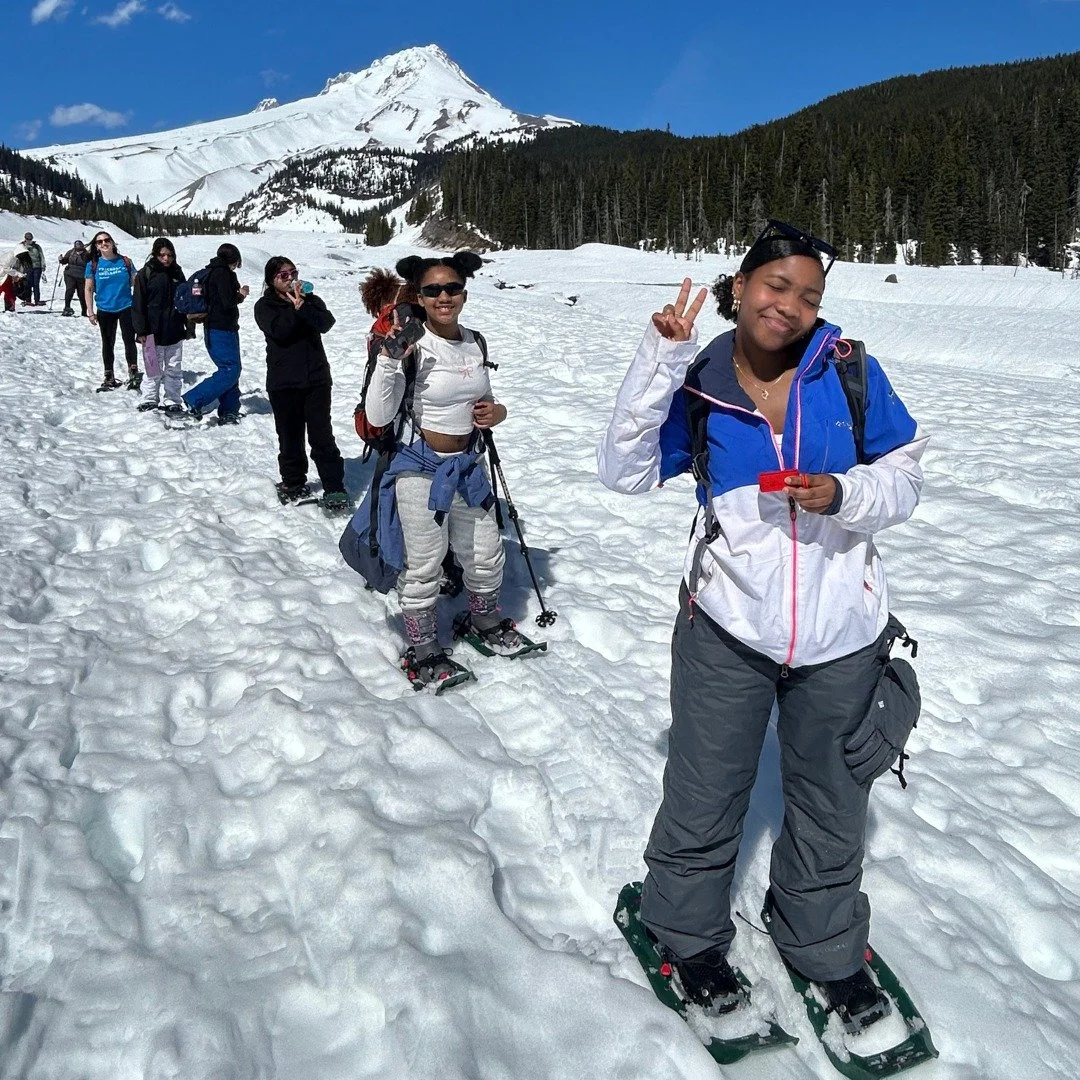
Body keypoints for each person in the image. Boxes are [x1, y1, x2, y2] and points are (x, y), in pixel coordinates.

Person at [597, 221, 928, 1030]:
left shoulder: (847, 372)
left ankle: (821, 944)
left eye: (810, 296)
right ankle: (685, 934)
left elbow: (904, 474)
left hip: (843, 635)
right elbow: (624, 471)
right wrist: (660, 359)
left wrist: (845, 495)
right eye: (777, 285)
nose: (791, 306)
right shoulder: (701, 381)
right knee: (706, 790)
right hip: (727, 628)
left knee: (832, 801)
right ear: (741, 286)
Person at [352, 250, 521, 686]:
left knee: (485, 550)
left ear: (464, 292)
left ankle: (483, 619)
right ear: (420, 296)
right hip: (420, 466)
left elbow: (484, 396)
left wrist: (496, 412)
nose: (444, 296)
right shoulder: (411, 343)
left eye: (452, 288)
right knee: (424, 563)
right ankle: (423, 645)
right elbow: (378, 415)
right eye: (433, 290)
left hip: (468, 464)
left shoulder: (475, 341)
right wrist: (390, 359)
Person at [254, 256, 349, 510]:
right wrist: (294, 310)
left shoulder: (310, 300)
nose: (290, 279)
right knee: (290, 436)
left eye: (293, 273)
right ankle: (293, 482)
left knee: (322, 435)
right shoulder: (265, 306)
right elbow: (280, 332)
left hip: (316, 379)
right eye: (283, 275)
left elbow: (326, 323)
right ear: (272, 280)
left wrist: (303, 306)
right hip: (284, 382)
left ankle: (334, 486)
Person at [183, 242, 248, 424]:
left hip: (217, 328)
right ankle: (194, 399)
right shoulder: (223, 274)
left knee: (231, 368)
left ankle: (229, 409)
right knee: (230, 369)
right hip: (221, 328)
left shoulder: (212, 272)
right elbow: (228, 301)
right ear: (234, 260)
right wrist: (241, 294)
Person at [131, 238, 191, 413]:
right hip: (151, 331)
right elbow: (138, 303)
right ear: (155, 254)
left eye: (170, 255)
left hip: (175, 330)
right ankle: (149, 398)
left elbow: (185, 301)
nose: (166, 259)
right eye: (162, 255)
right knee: (152, 368)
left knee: (174, 368)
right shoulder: (146, 273)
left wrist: (189, 326)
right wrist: (140, 330)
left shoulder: (177, 273)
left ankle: (172, 399)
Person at [85, 231, 140, 392]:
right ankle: (108, 375)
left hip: (126, 306)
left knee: (129, 340)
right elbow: (88, 288)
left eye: (106, 240)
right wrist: (90, 311)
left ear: (112, 242)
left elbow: (136, 283)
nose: (104, 243)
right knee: (108, 342)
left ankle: (133, 371)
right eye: (99, 242)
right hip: (104, 308)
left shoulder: (125, 261)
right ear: (96, 246)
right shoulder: (93, 265)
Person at [59, 240, 90, 316]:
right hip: (70, 274)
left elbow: (91, 265)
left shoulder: (87, 254)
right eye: (77, 248)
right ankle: (67, 308)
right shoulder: (71, 252)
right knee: (69, 290)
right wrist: (61, 259)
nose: (78, 250)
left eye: (80, 248)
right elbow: (65, 261)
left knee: (82, 294)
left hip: (82, 276)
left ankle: (84, 311)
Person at [0, 245, 26, 312]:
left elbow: (18, 269)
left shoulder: (17, 259)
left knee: (9, 291)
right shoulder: (10, 256)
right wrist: (16, 273)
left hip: (8, 276)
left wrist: (20, 275)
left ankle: (9, 308)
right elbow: (5, 267)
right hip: (3, 275)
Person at [22, 232, 44, 306]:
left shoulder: (37, 247)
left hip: (37, 267)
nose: (29, 240)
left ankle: (37, 300)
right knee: (28, 284)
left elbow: (41, 256)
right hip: (27, 267)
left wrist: (43, 265)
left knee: (36, 284)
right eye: (27, 239)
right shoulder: (22, 246)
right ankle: (28, 300)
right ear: (25, 239)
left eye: (30, 239)